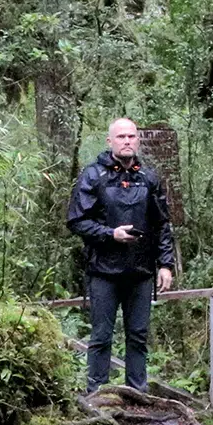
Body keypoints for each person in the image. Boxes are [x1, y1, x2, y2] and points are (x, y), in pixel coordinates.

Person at [66, 118, 176, 393]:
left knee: (138, 336)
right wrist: (110, 234)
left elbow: (162, 224)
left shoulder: (148, 178)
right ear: (110, 141)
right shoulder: (93, 176)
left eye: (131, 136)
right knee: (101, 337)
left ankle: (137, 394)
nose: (127, 141)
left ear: (138, 140)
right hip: (103, 271)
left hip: (140, 272)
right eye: (121, 137)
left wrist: (166, 264)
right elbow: (77, 221)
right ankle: (97, 395)